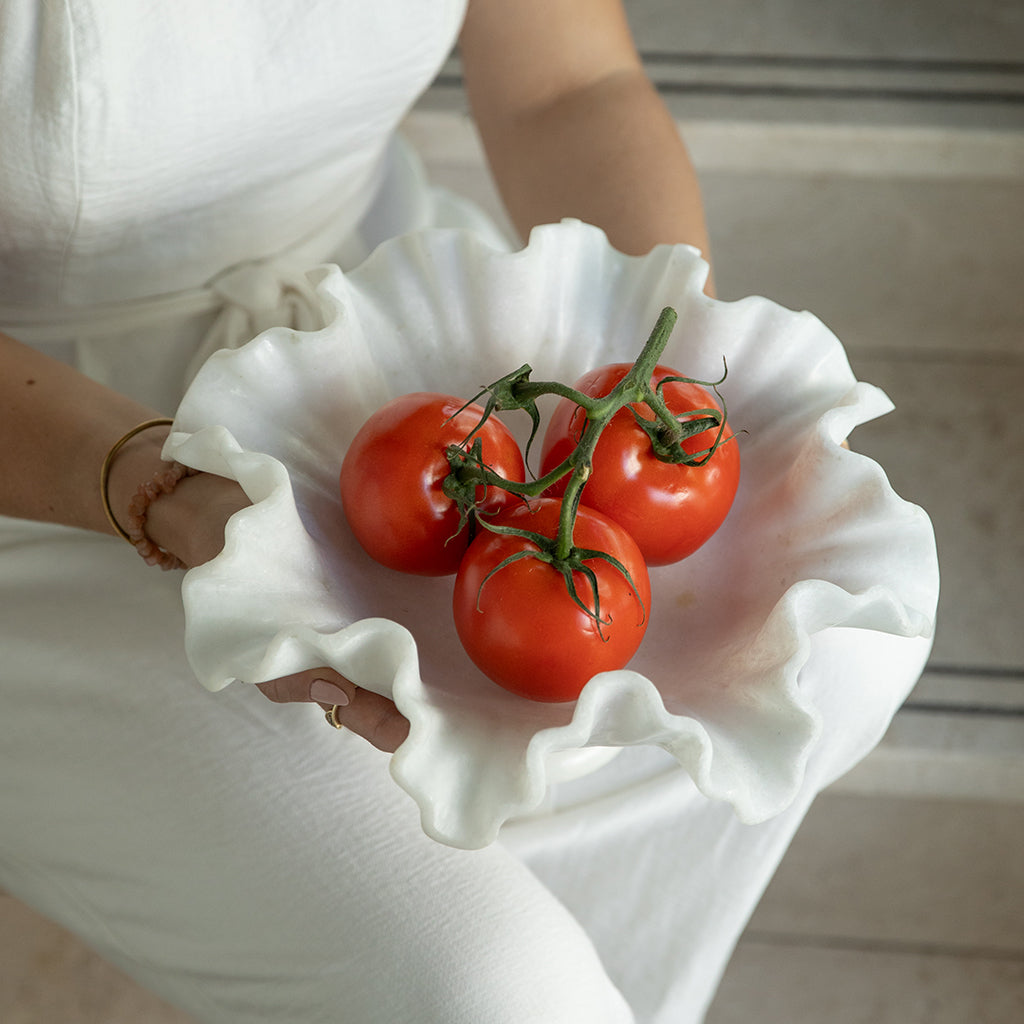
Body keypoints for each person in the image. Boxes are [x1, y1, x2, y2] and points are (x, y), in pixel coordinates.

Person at [0, 2, 933, 1021]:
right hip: (49, 463)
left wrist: (645, 384)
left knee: (838, 650)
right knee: (488, 992)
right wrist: (154, 480)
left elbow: (568, 86)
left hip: (390, 348)